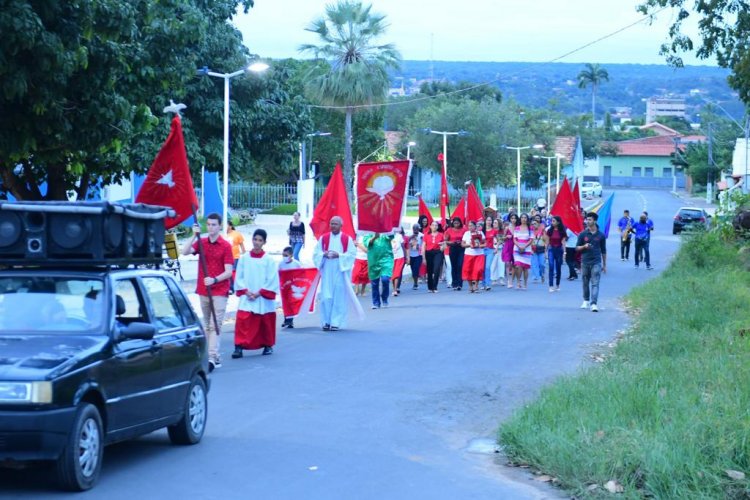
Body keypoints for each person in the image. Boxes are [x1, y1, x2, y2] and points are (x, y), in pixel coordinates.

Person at [181, 213, 233, 372]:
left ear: (220, 226)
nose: (210, 227)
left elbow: (229, 271)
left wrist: (215, 280)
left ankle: (211, 356)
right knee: (208, 325)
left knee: (214, 324)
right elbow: (184, 251)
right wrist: (192, 235)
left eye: (214, 225)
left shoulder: (225, 246)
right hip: (203, 290)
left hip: (219, 291)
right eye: (209, 224)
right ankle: (215, 356)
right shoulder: (201, 243)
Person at [233, 229, 279, 357]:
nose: (257, 243)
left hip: (262, 296)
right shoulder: (244, 258)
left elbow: (272, 279)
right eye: (255, 239)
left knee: (265, 322)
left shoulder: (268, 259)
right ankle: (239, 347)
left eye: (260, 240)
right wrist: (246, 292)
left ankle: (267, 345)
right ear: (252, 240)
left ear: (264, 242)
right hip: (247, 295)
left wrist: (259, 293)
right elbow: (239, 276)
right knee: (243, 321)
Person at [312, 216, 360, 331]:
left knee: (338, 296)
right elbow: (316, 253)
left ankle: (335, 322)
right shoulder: (324, 238)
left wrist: (339, 255)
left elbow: (352, 254)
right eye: (331, 223)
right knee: (326, 297)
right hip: (327, 271)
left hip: (340, 271)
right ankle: (326, 321)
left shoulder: (346, 239)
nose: (333, 226)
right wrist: (323, 254)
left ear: (341, 226)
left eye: (335, 224)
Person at [576, 212, 607, 312]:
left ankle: (594, 303)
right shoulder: (582, 234)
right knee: (585, 282)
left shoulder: (601, 235)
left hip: (596, 262)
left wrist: (604, 264)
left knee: (595, 283)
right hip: (585, 262)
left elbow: (604, 250)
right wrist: (584, 246)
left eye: (589, 219)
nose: (587, 221)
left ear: (595, 221)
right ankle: (586, 300)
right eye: (587, 219)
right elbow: (576, 248)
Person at [364, 233, 394, 309]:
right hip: (373, 260)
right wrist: (374, 237)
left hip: (386, 259)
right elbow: (367, 244)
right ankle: (376, 303)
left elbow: (391, 236)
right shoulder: (368, 232)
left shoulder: (386, 230)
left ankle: (384, 297)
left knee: (385, 279)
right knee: (374, 283)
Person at [278, 246, 301, 328]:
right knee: (285, 303)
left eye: (286, 255)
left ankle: (290, 321)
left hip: (293, 286)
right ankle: (286, 320)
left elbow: (301, 274)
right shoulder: (281, 264)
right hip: (284, 286)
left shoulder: (296, 264)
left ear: (291, 255)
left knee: (291, 302)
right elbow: (278, 274)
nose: (284, 257)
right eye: (283, 255)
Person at [461, 220, 485, 293]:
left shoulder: (480, 233)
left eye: (471, 225)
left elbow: (484, 243)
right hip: (469, 254)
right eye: (469, 226)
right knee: (468, 270)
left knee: (478, 269)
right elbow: (462, 244)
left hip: (479, 254)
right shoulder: (466, 233)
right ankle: (470, 286)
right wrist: (469, 245)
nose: (470, 227)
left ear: (475, 226)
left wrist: (480, 245)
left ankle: (476, 286)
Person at [545, 216, 567, 292]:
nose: (552, 222)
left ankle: (557, 284)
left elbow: (563, 242)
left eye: (554, 221)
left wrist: (564, 252)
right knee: (551, 266)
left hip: (559, 250)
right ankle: (551, 285)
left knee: (558, 268)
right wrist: (545, 251)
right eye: (552, 221)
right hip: (551, 249)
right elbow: (547, 242)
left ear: (558, 222)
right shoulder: (549, 231)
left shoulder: (562, 231)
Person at [423, 220, 445, 293]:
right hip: (429, 253)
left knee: (436, 269)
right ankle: (430, 287)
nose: (434, 226)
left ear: (438, 227)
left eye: (436, 225)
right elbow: (424, 246)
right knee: (429, 270)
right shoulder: (426, 234)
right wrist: (423, 257)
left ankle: (435, 286)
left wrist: (442, 247)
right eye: (433, 225)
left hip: (438, 252)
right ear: (430, 226)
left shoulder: (441, 235)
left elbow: (444, 244)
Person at [512, 213, 533, 289]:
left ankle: (525, 283)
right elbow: (514, 239)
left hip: (526, 249)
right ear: (520, 219)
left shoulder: (530, 228)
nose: (523, 219)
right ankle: (518, 282)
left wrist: (524, 246)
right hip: (517, 249)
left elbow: (531, 239)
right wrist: (519, 246)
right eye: (522, 218)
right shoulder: (517, 228)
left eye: (525, 218)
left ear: (527, 219)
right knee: (518, 265)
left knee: (525, 268)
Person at [444, 217, 465, 290]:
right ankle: (454, 283)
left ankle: (460, 283)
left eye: (458, 223)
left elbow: (466, 239)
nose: (456, 225)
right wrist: (452, 242)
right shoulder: (449, 230)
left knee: (460, 265)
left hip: (461, 249)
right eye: (455, 223)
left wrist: (461, 242)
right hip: (452, 248)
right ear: (452, 223)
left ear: (460, 223)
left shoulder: (463, 230)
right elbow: (445, 241)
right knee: (454, 266)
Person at [227, 221, 245, 293]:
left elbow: (241, 244)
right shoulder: (223, 234)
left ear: (230, 226)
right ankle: (230, 287)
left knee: (232, 272)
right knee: (227, 272)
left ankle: (233, 287)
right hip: (226, 257)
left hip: (235, 256)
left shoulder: (237, 234)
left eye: (226, 225)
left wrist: (244, 253)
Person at [481, 216, 498, 291]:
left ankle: (488, 284)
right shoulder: (481, 230)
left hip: (490, 250)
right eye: (488, 220)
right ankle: (483, 283)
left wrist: (496, 248)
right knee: (482, 267)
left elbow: (498, 240)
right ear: (485, 221)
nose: (489, 221)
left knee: (487, 267)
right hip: (482, 250)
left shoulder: (494, 231)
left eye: (490, 220)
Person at [406, 224, 423, 290]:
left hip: (418, 255)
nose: (416, 230)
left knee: (416, 268)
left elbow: (424, 244)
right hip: (411, 255)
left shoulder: (421, 235)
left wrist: (419, 246)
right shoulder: (409, 234)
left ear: (419, 229)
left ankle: (415, 283)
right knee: (413, 269)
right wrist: (411, 237)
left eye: (417, 229)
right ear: (412, 229)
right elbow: (405, 242)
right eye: (414, 229)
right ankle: (415, 281)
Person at [530, 216, 546, 284]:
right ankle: (535, 277)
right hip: (533, 249)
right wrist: (530, 249)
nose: (534, 225)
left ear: (538, 224)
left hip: (541, 249)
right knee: (534, 264)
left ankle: (542, 274)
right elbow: (529, 240)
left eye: (535, 223)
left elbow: (545, 240)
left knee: (542, 264)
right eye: (532, 224)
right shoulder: (530, 231)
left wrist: (545, 249)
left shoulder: (542, 230)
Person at [391, 227, 406, 297]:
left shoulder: (399, 236)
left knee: (397, 273)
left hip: (400, 257)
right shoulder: (387, 237)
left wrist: (406, 256)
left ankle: (395, 289)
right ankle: (394, 288)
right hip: (391, 258)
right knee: (393, 274)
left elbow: (403, 246)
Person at [501, 216, 516, 288]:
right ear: (510, 219)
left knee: (514, 264)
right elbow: (502, 238)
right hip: (507, 246)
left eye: (515, 218)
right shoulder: (507, 228)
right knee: (507, 263)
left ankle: (511, 281)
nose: (513, 220)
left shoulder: (518, 227)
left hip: (515, 246)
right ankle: (508, 280)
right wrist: (507, 236)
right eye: (512, 218)